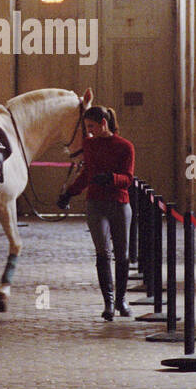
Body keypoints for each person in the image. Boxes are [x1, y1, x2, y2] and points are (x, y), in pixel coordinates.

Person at [57, 106, 135, 321]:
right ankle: (108, 302)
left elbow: (128, 178)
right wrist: (70, 193)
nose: (89, 131)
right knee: (102, 252)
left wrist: (111, 178)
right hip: (96, 203)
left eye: (92, 126)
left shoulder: (125, 146)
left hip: (119, 203)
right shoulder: (89, 145)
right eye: (87, 127)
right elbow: (86, 174)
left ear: (103, 122)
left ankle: (121, 299)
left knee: (122, 253)